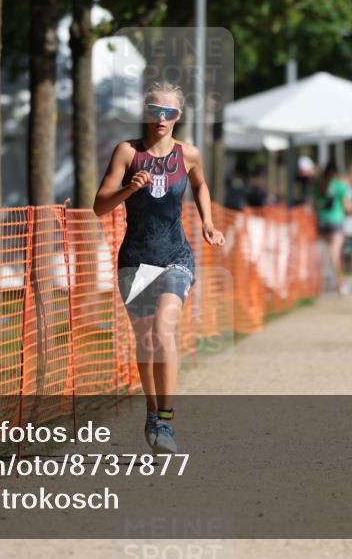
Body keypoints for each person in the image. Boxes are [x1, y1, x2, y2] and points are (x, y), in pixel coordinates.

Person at [93, 81, 225, 454]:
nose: (161, 118)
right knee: (146, 340)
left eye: (169, 112)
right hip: (135, 259)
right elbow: (99, 206)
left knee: (164, 330)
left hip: (175, 257)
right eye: (155, 110)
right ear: (146, 113)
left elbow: (200, 186)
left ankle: (165, 419)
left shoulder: (189, 154)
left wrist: (208, 221)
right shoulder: (127, 153)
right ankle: (152, 413)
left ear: (178, 116)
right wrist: (129, 189)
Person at [314, 161, 352, 295]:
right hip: (336, 221)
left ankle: (319, 285)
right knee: (335, 253)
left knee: (323, 255)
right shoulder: (340, 186)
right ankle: (339, 283)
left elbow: (315, 203)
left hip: (322, 221)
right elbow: (347, 206)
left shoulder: (319, 185)